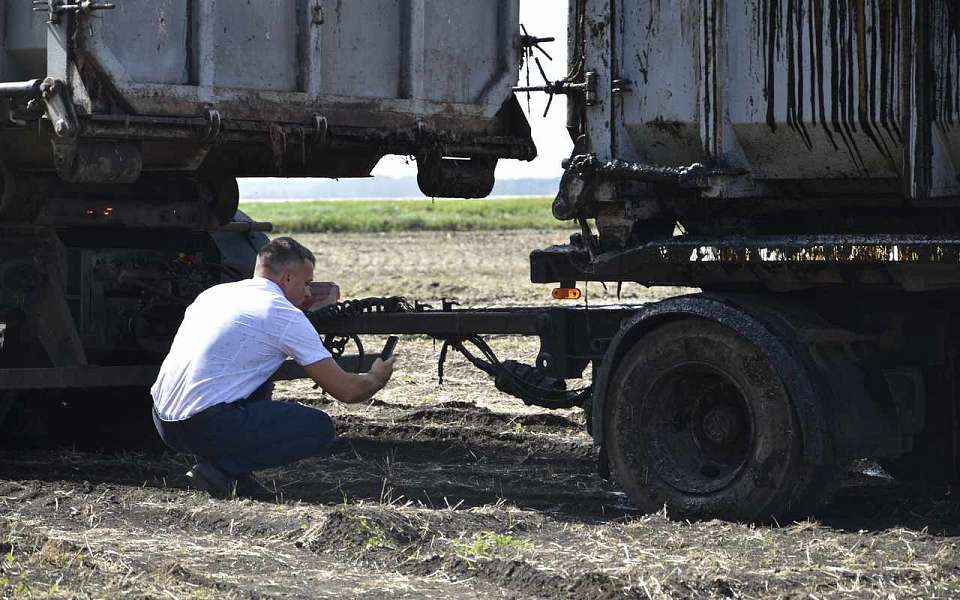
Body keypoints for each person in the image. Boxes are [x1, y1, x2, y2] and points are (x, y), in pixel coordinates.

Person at [150, 237, 395, 499]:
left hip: (163, 422)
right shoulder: (281, 313)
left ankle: (236, 477)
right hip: (205, 426)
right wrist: (375, 378)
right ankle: (220, 470)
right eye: (307, 283)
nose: (309, 293)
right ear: (288, 279)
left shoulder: (213, 295)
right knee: (318, 429)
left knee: (258, 374)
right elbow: (346, 391)